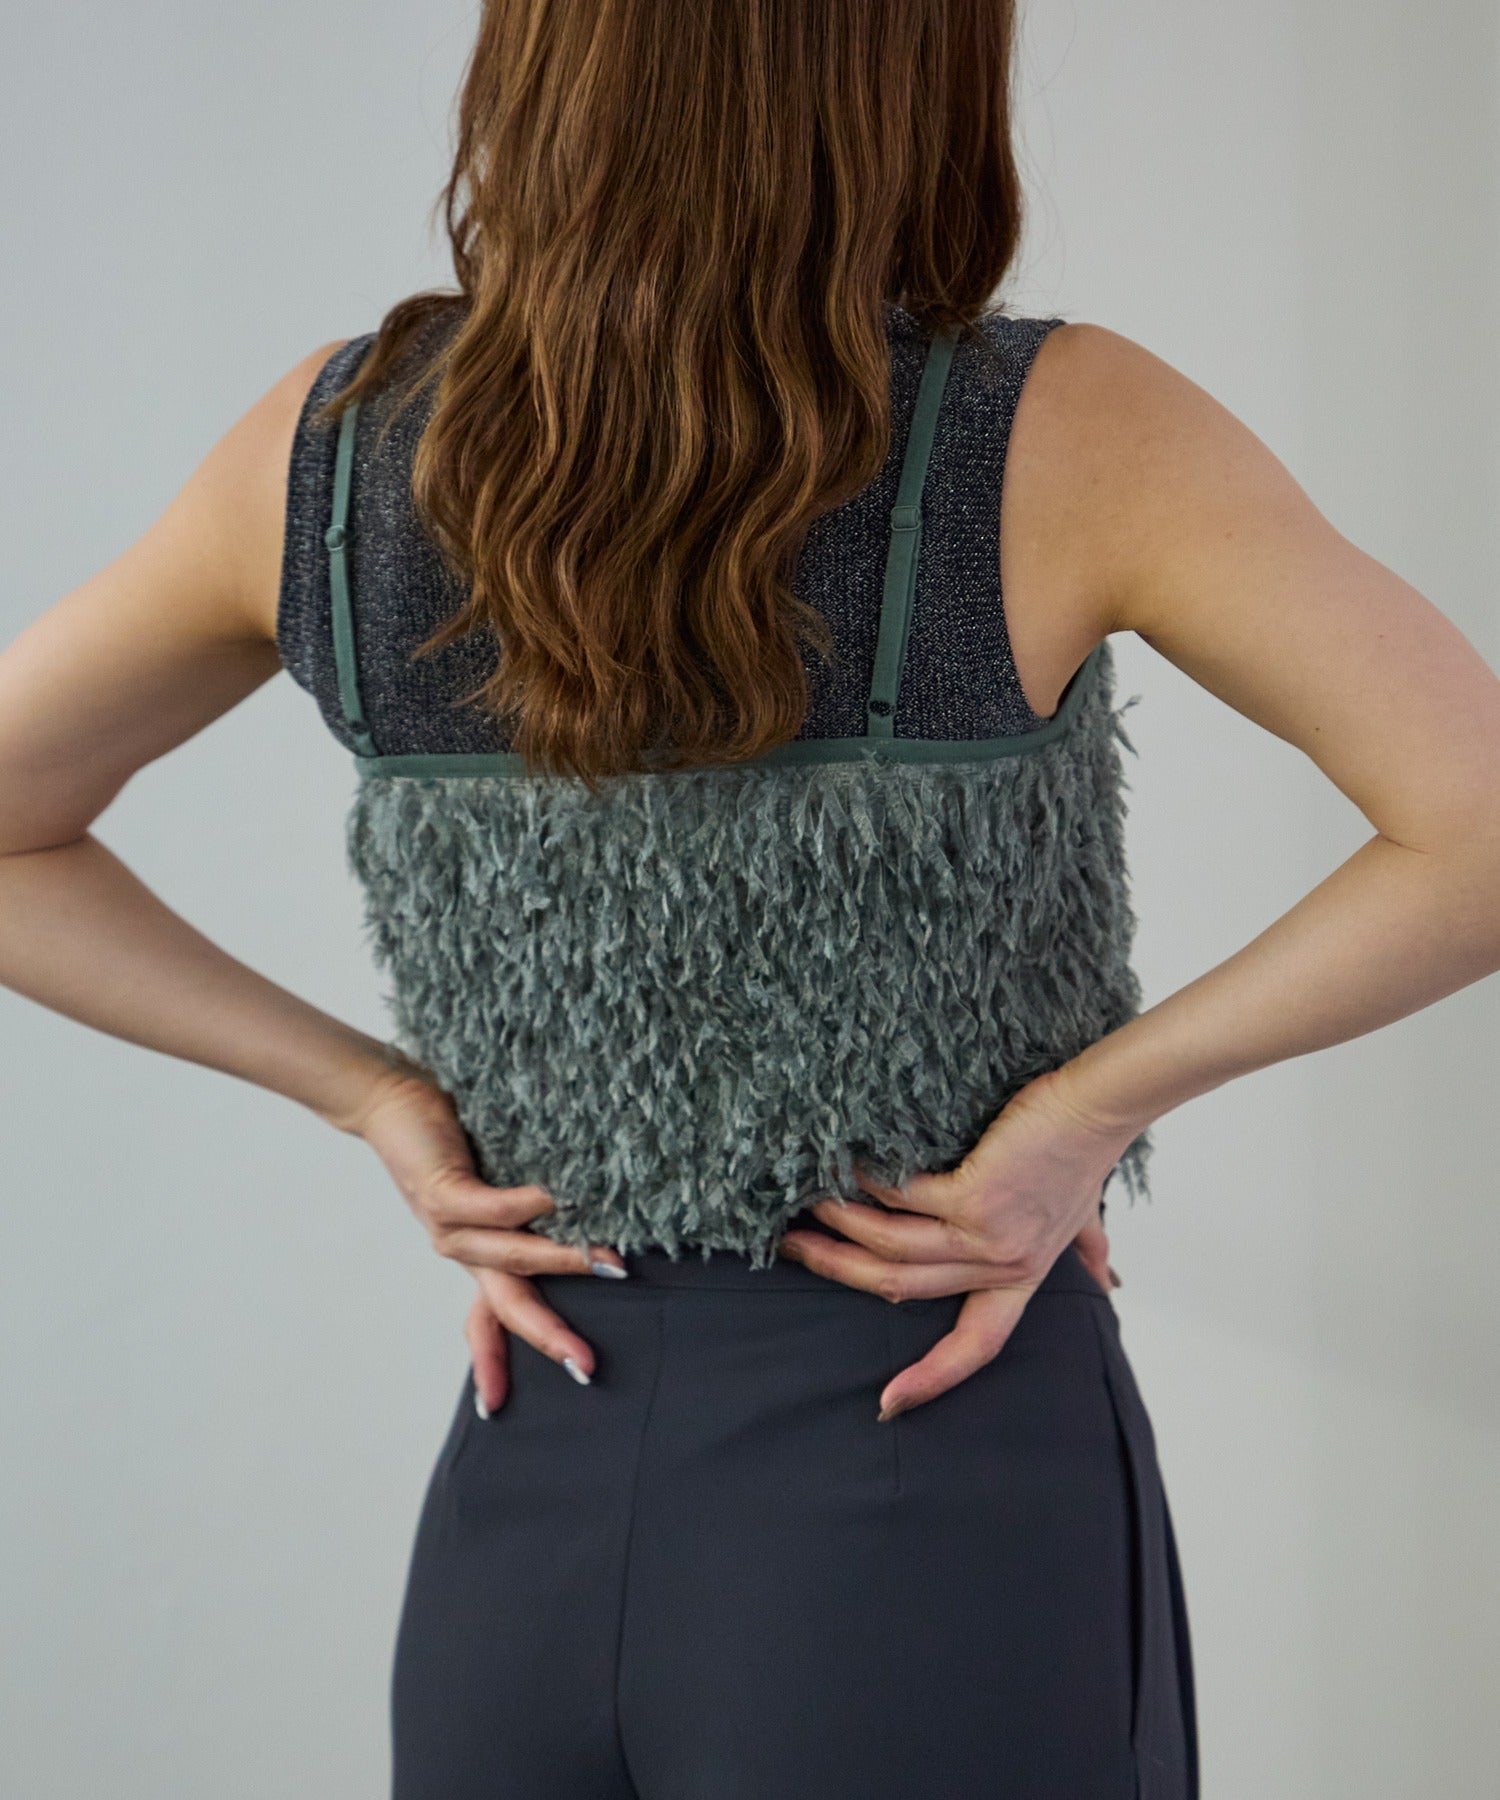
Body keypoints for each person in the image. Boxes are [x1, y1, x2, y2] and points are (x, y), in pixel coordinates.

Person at [4, 2, 1499, 1796]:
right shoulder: (1057, 426)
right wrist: (1084, 1117)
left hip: (532, 1487)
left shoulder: (327, 454)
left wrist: (377, 1099)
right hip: (931, 1462)